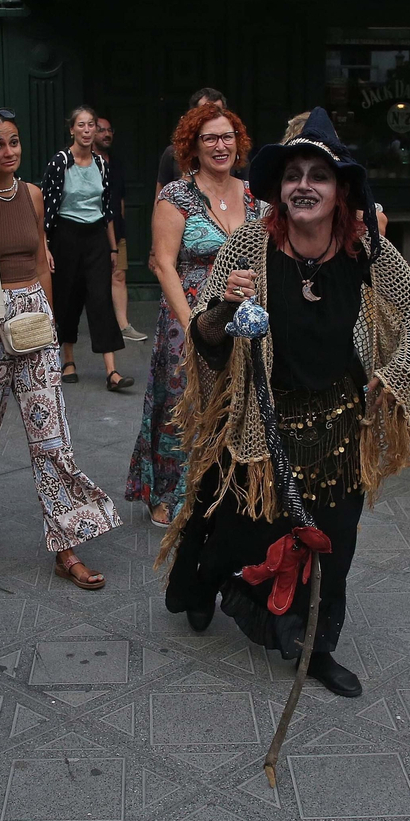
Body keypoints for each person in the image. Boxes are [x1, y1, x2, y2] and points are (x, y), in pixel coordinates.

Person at [160, 108, 410, 699]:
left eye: (319, 175)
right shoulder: (250, 245)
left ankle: (316, 647)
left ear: (342, 192)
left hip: (338, 425)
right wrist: (225, 309)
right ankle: (204, 584)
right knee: (234, 528)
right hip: (262, 417)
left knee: (335, 541)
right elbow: (205, 334)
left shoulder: (367, 250)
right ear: (279, 189)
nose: (304, 184)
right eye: (293, 175)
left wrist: (395, 372)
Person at [0, 110, 118, 587]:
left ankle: (66, 543)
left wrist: (51, 319)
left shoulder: (34, 195)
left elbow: (43, 258)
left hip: (32, 317)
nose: (9, 152)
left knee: (51, 434)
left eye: (14, 142)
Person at [127, 104, 263, 529]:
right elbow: (164, 264)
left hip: (241, 317)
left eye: (227, 137)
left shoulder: (256, 196)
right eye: (209, 139)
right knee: (179, 402)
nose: (220, 146)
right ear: (193, 146)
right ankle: (166, 492)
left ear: (238, 143)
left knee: (233, 400)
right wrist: (189, 324)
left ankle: (221, 485)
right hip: (188, 312)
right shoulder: (176, 196)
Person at [41, 105, 132, 393]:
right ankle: (67, 360)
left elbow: (107, 210)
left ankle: (112, 371)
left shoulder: (101, 164)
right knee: (68, 297)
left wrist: (113, 248)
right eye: (81, 125)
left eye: (91, 125)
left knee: (100, 297)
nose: (86, 130)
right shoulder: (60, 161)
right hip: (66, 234)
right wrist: (44, 244)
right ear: (72, 129)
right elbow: (46, 205)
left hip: (95, 237)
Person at [96, 117, 146, 344]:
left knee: (119, 274)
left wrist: (121, 225)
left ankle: (123, 325)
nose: (106, 134)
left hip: (117, 230)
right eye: (101, 130)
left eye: (109, 130)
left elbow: (121, 198)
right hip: (92, 230)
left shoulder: (116, 163)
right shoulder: (83, 162)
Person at [155, 88, 228, 198]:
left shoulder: (232, 151)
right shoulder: (173, 153)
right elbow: (159, 199)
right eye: (206, 113)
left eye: (218, 113)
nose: (213, 119)